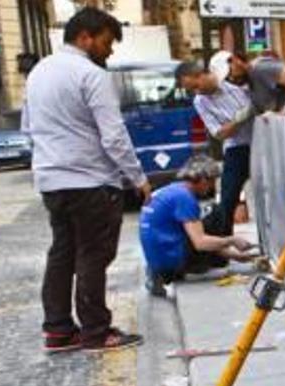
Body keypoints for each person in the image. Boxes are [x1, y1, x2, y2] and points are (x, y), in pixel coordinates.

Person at [23, 7, 151, 352]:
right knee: (93, 255)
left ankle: (58, 330)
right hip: (90, 181)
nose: (109, 51)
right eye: (107, 43)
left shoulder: (38, 73)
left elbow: (28, 128)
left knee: (62, 253)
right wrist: (138, 177)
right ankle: (97, 331)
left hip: (51, 180)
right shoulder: (91, 75)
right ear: (85, 37)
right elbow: (113, 135)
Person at [140, 155, 259, 298]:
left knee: (200, 225)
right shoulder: (185, 198)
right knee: (216, 213)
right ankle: (176, 269)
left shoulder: (171, 190)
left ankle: (158, 271)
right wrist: (232, 240)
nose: (212, 187)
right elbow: (200, 243)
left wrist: (237, 257)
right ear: (203, 179)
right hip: (171, 260)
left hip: (157, 257)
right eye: (212, 181)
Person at [175, 58, 257, 236]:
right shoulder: (200, 101)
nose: (196, 92)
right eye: (191, 90)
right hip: (236, 147)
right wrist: (239, 119)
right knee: (228, 197)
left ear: (202, 74)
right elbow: (218, 133)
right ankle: (223, 244)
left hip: (262, 140)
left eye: (195, 86)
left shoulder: (233, 82)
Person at [209, 50, 285, 117]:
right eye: (227, 79)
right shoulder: (251, 83)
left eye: (230, 72)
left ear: (235, 61)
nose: (232, 79)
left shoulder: (261, 69)